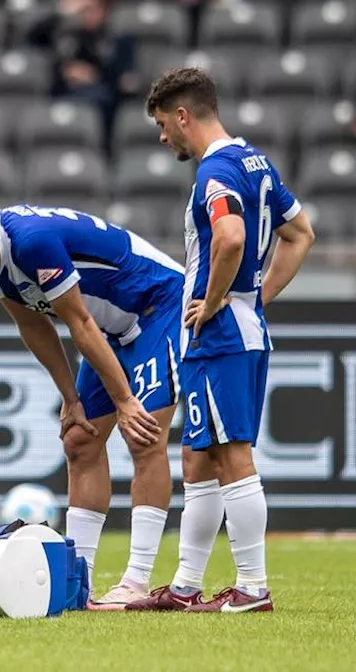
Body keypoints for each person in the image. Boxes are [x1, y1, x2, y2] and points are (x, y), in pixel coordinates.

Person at [0, 195, 177, 609]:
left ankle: (137, 580)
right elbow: (33, 325)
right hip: (109, 330)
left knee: (143, 435)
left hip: (157, 308)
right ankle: (82, 580)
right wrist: (70, 398)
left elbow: (78, 321)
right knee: (79, 440)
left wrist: (125, 399)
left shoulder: (31, 242)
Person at [127, 67, 314, 613]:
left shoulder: (215, 172)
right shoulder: (255, 161)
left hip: (220, 334)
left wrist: (213, 303)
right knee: (197, 456)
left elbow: (230, 237)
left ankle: (252, 588)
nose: (164, 137)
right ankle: (186, 587)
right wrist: (256, 298)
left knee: (231, 455)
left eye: (164, 124)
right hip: (242, 325)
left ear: (183, 115)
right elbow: (301, 233)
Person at [26, 0, 139, 149]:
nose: (90, 15)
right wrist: (62, 13)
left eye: (95, 9)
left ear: (105, 12)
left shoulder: (119, 41)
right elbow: (32, 37)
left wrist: (94, 76)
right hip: (65, 96)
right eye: (86, 10)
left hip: (102, 102)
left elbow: (123, 81)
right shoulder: (67, 36)